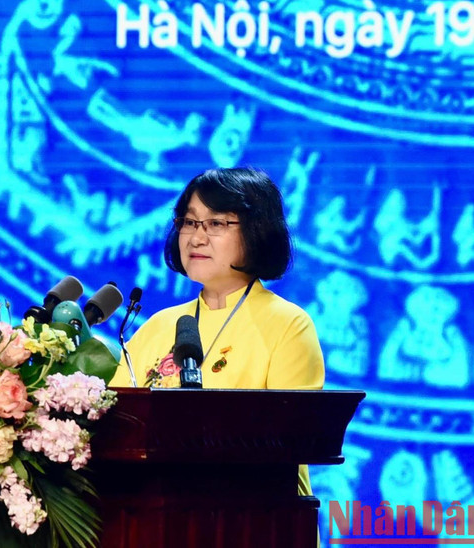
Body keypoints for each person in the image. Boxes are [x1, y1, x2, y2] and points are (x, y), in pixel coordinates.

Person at [110, 167, 325, 496]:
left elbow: (291, 441)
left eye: (216, 223)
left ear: (256, 230)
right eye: (189, 221)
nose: (196, 237)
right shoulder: (158, 325)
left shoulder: (288, 325)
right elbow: (114, 426)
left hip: (258, 511)